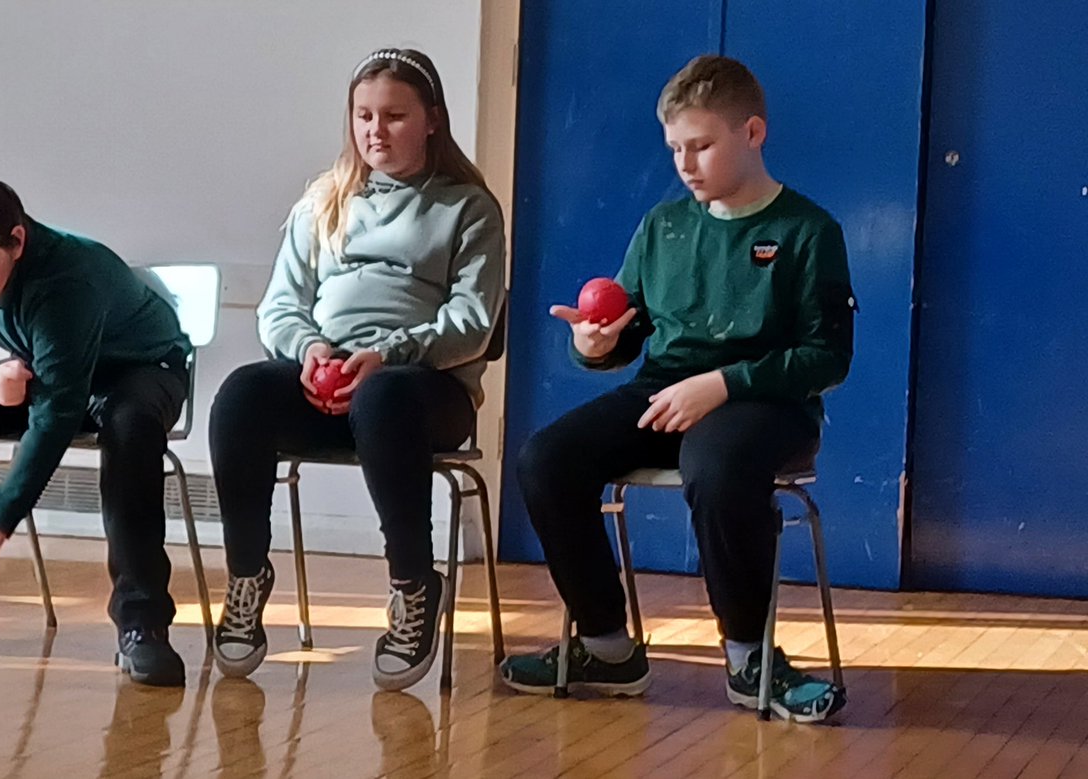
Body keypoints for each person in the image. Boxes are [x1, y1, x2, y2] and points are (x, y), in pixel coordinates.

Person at [500, 55, 855, 723]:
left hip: (768, 406)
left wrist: (723, 384)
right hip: (666, 391)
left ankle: (750, 658)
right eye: (674, 149)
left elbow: (826, 357)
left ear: (753, 134)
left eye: (701, 145)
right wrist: (595, 346)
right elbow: (627, 332)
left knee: (715, 463)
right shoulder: (663, 227)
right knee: (546, 457)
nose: (686, 163)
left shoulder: (810, 231)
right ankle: (607, 648)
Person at [209, 48, 505, 691]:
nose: (376, 130)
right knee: (240, 396)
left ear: (431, 120)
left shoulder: (469, 209)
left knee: (385, 399)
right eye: (364, 115)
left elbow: (472, 323)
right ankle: (246, 575)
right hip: (326, 379)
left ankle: (412, 584)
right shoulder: (324, 200)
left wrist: (388, 355)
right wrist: (311, 350)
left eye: (394, 116)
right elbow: (280, 307)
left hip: (422, 391)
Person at [0, 170, 192, 687]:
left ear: (17, 242)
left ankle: (143, 623)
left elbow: (55, 418)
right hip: (52, 369)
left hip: (137, 371)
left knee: (130, 424)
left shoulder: (66, 279)